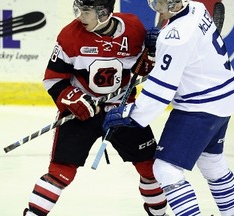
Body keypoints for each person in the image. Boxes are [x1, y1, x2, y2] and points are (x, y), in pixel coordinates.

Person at [103, 0, 234, 215]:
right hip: (224, 98)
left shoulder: (176, 37)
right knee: (211, 160)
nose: (154, 4)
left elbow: (162, 88)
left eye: (158, 1)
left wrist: (132, 114)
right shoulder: (196, 8)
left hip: (200, 106)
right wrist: (162, 41)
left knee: (166, 170)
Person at [23, 0, 168, 215]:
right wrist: (74, 99)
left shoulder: (134, 28)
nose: (79, 16)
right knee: (60, 172)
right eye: (78, 9)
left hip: (122, 110)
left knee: (150, 167)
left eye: (86, 11)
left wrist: (152, 54)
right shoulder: (70, 36)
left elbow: (142, 69)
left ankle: (159, 213)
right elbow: (54, 79)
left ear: (103, 13)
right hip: (82, 114)